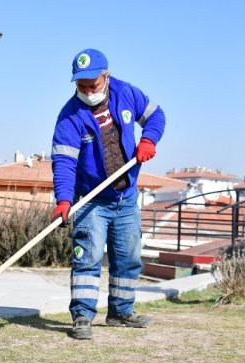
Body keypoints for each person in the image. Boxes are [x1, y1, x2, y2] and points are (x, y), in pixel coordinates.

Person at [50, 48, 165, 340]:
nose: (88, 90)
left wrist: (148, 140)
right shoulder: (69, 117)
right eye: (81, 85)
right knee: (87, 258)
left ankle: (121, 313)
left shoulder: (126, 93)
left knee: (128, 258)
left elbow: (156, 116)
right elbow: (64, 161)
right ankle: (82, 317)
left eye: (93, 84)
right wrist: (64, 199)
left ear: (106, 76)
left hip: (126, 198)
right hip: (92, 201)